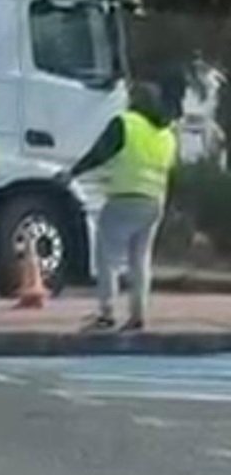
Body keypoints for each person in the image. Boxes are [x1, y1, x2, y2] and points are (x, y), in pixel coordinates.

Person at [59, 81, 177, 331]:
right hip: (154, 201)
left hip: (124, 198)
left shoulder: (125, 123)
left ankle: (106, 313)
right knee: (140, 259)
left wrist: (73, 173)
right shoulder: (167, 134)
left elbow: (99, 153)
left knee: (107, 257)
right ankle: (138, 314)